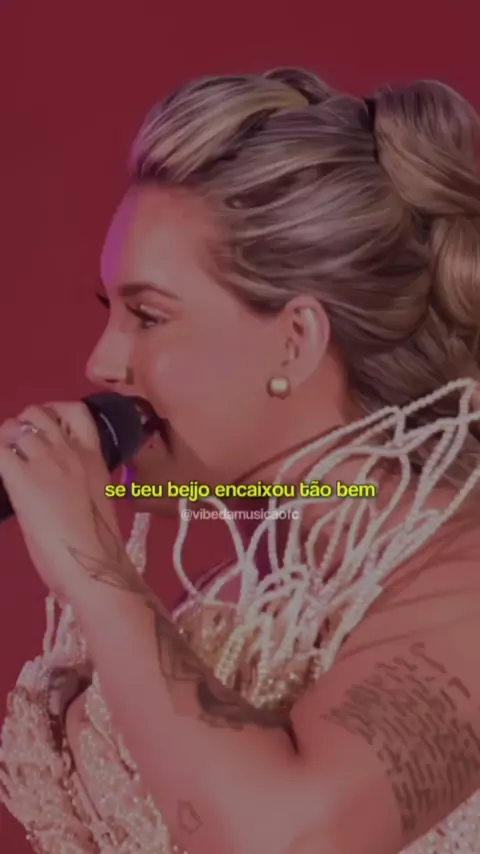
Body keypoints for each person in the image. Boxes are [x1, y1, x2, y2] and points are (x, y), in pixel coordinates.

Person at [1, 66, 480, 854]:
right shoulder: (257, 602)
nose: (101, 363)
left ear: (295, 341)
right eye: (110, 312)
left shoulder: (465, 583)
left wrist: (94, 570)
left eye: (148, 316)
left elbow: (287, 841)